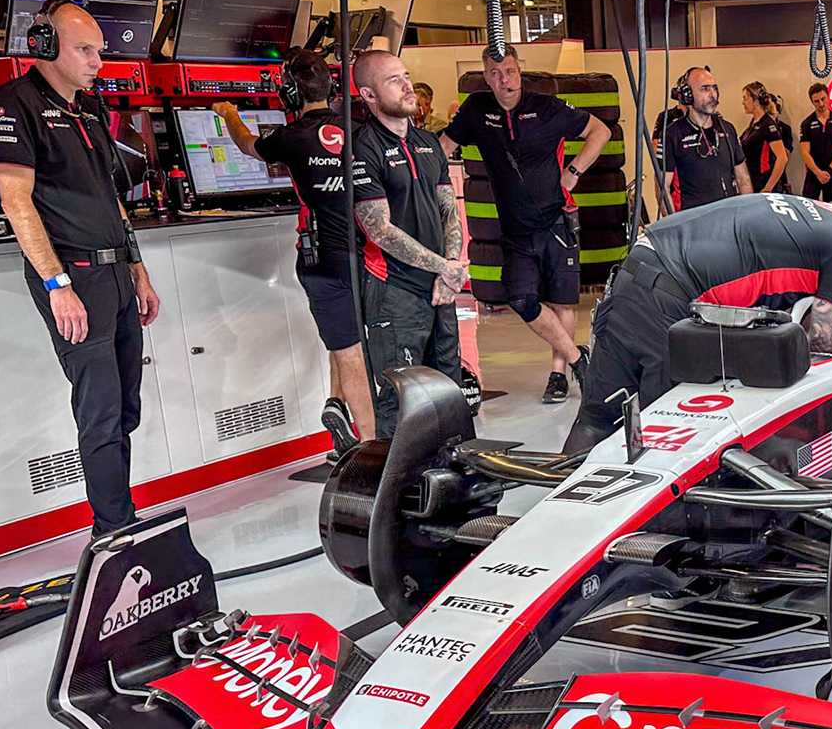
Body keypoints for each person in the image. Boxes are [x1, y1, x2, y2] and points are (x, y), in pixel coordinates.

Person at [0, 0, 161, 540]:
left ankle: (119, 514)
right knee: (101, 409)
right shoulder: (13, 107)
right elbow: (18, 202)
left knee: (126, 405)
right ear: (43, 45)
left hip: (116, 275)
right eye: (85, 49)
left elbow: (111, 196)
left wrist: (138, 268)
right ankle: (113, 531)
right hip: (73, 278)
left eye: (99, 51)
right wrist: (57, 285)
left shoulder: (88, 109)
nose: (97, 62)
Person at [565, 193, 832, 451]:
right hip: (668, 293)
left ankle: (547, 518)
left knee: (598, 416)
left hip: (638, 267)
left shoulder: (825, 211)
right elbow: (823, 348)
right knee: (668, 432)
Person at [210, 51, 374, 448]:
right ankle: (337, 404)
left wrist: (228, 112)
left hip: (322, 259)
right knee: (352, 340)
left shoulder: (289, 137)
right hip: (367, 255)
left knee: (348, 349)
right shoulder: (361, 130)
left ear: (289, 93)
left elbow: (247, 144)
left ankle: (374, 451)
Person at [439, 45, 604, 404]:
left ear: (519, 72)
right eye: (495, 74)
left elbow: (600, 131)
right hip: (515, 229)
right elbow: (442, 146)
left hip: (557, 221)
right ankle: (579, 359)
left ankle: (559, 374)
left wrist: (573, 173)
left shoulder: (546, 108)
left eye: (510, 71)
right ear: (486, 77)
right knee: (522, 299)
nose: (504, 80)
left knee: (562, 303)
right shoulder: (476, 110)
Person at [348, 49, 466, 438]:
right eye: (393, 80)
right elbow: (378, 229)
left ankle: (451, 481)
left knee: (449, 393)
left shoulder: (428, 142)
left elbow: (449, 210)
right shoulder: (363, 149)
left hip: (439, 290)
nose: (407, 85)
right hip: (395, 293)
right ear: (368, 94)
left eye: (406, 76)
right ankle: (402, 490)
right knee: (401, 401)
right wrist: (443, 268)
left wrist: (450, 267)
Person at [660, 67, 750, 210]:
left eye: (714, 88)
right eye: (705, 89)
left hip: (728, 217)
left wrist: (746, 216)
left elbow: (743, 178)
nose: (713, 95)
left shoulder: (728, 130)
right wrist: (675, 226)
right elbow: (662, 186)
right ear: (687, 95)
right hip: (694, 222)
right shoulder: (672, 134)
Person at [798, 81, 832, 202]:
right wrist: (817, 172)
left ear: (828, 97)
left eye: (823, 99)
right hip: (813, 174)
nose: (821, 104)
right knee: (809, 207)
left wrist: (829, 170)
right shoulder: (807, 124)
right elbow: (805, 152)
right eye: (817, 101)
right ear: (812, 102)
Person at [739, 82, 793, 194]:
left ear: (756, 101)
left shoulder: (768, 125)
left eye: (745, 98)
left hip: (765, 187)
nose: (743, 103)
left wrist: (768, 187)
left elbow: (782, 158)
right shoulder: (753, 125)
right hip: (754, 184)